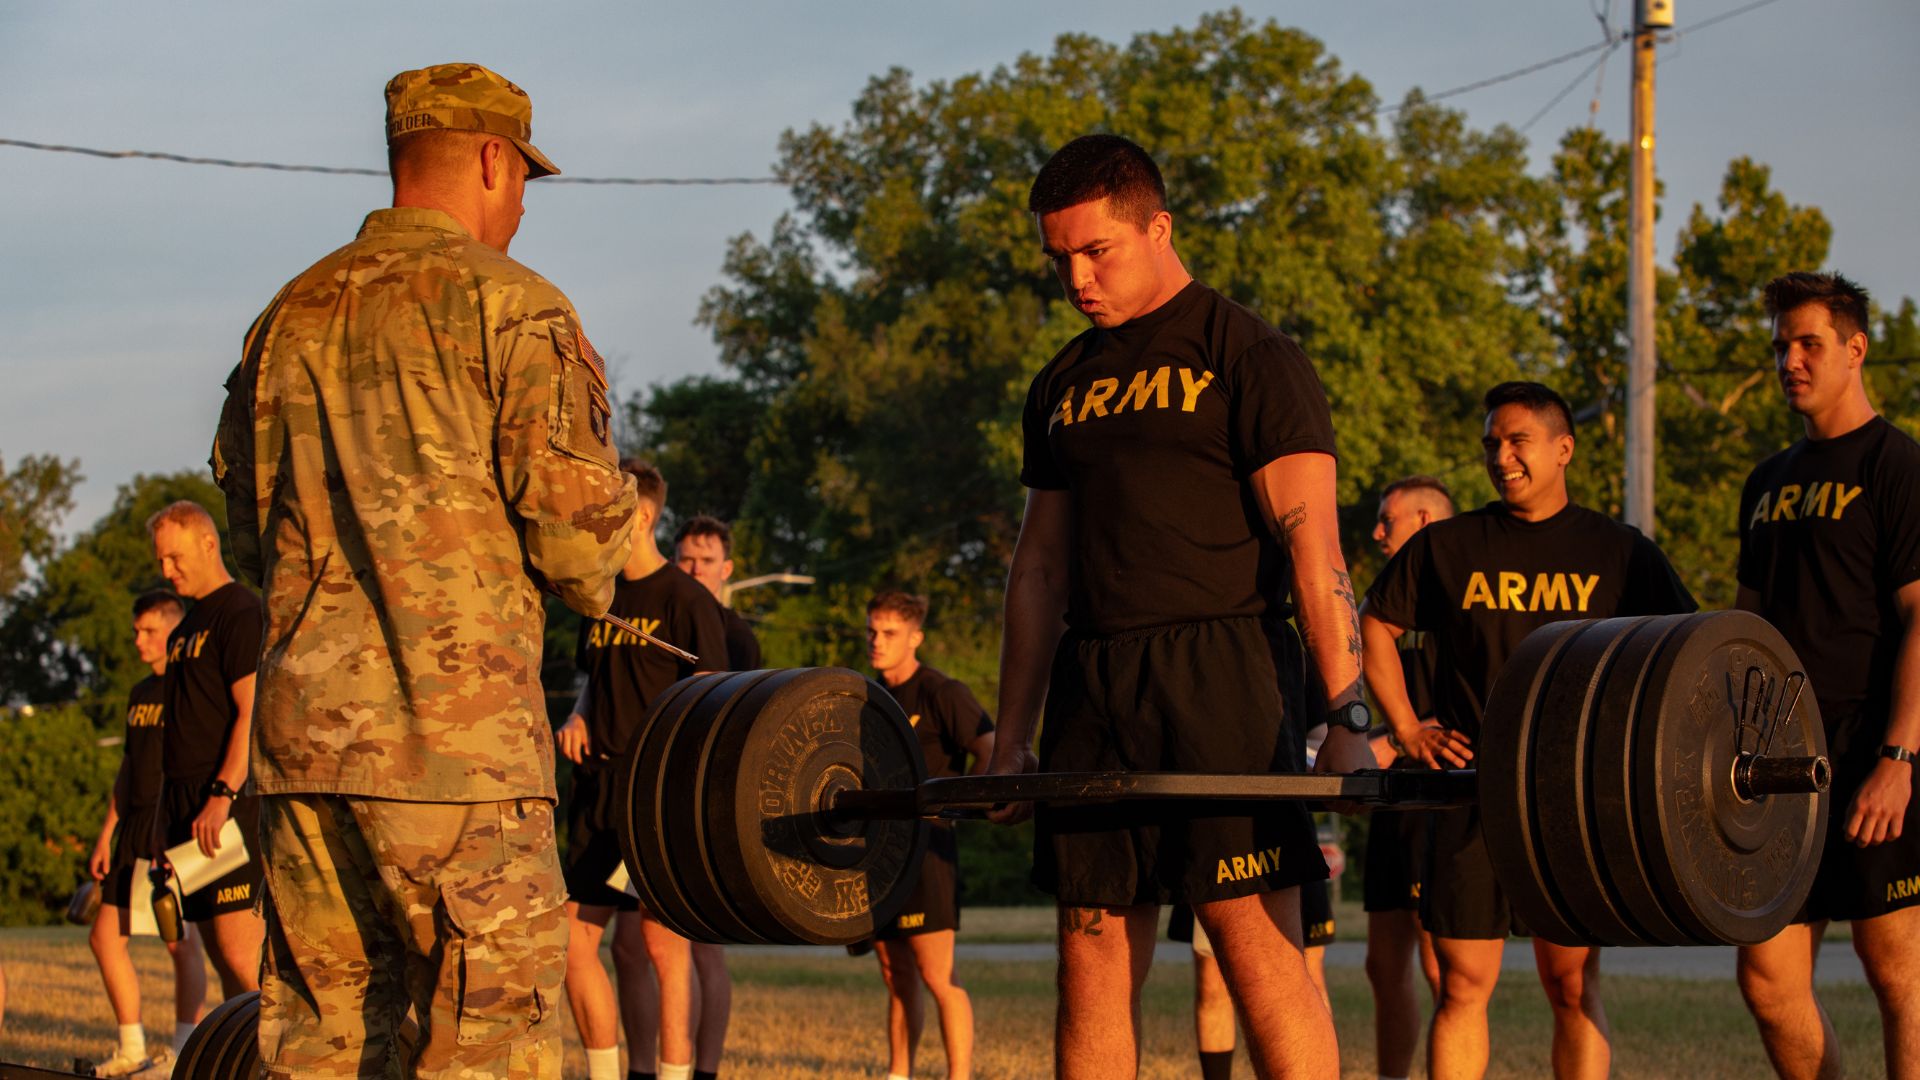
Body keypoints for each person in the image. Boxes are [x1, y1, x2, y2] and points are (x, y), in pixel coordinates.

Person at [212, 62, 639, 1077]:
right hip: (456, 765)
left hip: (302, 760)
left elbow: (244, 541)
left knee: (321, 1053)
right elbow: (581, 556)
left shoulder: (286, 317)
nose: (524, 207)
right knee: (484, 1053)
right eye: (525, 181)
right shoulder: (516, 308)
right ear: (494, 160)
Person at [988, 133, 1375, 1079]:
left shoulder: (1250, 354)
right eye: (1060, 259)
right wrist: (1009, 738)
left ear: (1158, 226)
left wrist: (1348, 713)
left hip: (1224, 670)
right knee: (1090, 957)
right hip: (1096, 678)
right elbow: (1038, 569)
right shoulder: (1060, 384)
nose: (1077, 278)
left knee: (1256, 951)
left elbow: (1313, 543)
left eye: (1097, 251)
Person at [1360, 382, 1697, 1080]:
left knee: (1571, 988)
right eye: (1491, 444)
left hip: (1570, 805)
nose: (1501, 456)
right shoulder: (1450, 546)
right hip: (1468, 794)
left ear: (1563, 448)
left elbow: (1686, 649)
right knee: (1460, 988)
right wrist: (1407, 727)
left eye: (1518, 441)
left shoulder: (1620, 551)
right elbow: (1375, 623)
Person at [1732, 271, 1920, 1079]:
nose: (1791, 361)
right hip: (1778, 758)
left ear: (1855, 348)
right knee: (1768, 980)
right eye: (1780, 346)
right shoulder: (1765, 482)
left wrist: (1899, 759)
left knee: (1896, 973)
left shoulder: (1897, 463)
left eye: (1808, 343)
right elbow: (1742, 633)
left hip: (1873, 749)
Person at [558, 461, 726, 1080]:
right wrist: (577, 718)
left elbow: (710, 704)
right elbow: (590, 681)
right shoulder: (597, 599)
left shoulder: (686, 602)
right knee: (574, 945)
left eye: (606, 510)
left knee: (662, 945)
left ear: (642, 516)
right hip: (597, 795)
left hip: (655, 799)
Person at [863, 591, 994, 1080]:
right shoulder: (865, 695)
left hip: (927, 850)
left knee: (938, 975)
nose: (877, 642)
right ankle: (899, 1073)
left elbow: (991, 747)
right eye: (872, 631)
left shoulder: (943, 691)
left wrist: (961, 805)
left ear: (916, 637)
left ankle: (958, 1076)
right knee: (896, 976)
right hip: (876, 853)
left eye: (890, 633)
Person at [85, 590, 209, 1077]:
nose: (138, 639)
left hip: (172, 826)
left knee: (180, 940)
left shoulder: (190, 688)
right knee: (103, 938)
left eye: (149, 631)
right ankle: (131, 1048)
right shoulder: (139, 694)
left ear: (173, 633)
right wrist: (104, 834)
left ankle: (183, 1052)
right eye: (137, 630)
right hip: (132, 827)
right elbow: (129, 765)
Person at [146, 501, 265, 1002]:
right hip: (186, 809)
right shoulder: (185, 630)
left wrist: (222, 795)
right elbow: (176, 734)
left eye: (174, 558)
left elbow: (251, 710)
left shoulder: (241, 611)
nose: (166, 570)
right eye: (160, 562)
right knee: (221, 957)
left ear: (208, 543)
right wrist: (161, 821)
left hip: (228, 805)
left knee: (243, 956)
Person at [1363, 476, 1453, 1080]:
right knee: (1381, 962)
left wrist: (1413, 737)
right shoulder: (1380, 600)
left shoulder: (1464, 589)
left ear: (1423, 522)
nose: (1375, 533)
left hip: (1444, 794)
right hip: (1393, 798)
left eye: (1386, 521)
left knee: (1441, 961)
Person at [672, 514, 757, 1078]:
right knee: (641, 948)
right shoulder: (663, 622)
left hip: (706, 804)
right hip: (655, 796)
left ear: (726, 569)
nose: (695, 569)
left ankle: (703, 1069)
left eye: (706, 561)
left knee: (699, 946)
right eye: (686, 559)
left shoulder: (736, 637)